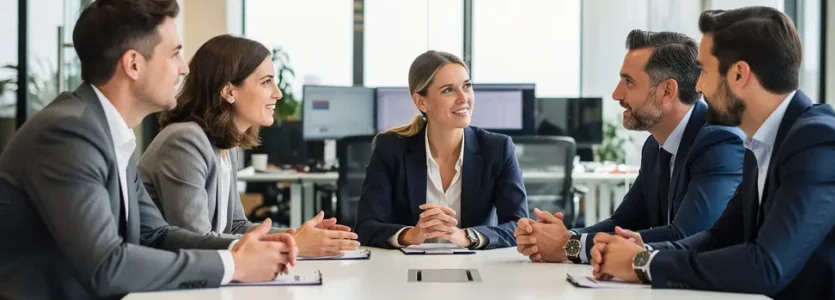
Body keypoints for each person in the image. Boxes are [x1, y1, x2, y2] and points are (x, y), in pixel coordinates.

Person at [0, 1, 298, 299]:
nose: (184, 68)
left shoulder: (111, 134)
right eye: (174, 53)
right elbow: (107, 266)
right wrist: (232, 265)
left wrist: (243, 250)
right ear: (133, 64)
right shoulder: (67, 134)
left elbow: (155, 234)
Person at [590, 7, 835, 300]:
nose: (699, 87)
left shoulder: (821, 142)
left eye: (704, 71)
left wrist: (642, 264)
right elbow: (720, 237)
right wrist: (642, 251)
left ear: (739, 74)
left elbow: (766, 266)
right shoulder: (765, 144)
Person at [515, 29, 745, 264]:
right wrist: (563, 237)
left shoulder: (719, 142)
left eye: (629, 82)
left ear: (667, 91)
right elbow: (624, 222)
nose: (616, 94)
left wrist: (569, 246)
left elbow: (686, 235)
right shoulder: (654, 147)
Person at [137, 34, 359, 258]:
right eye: (266, 82)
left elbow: (235, 226)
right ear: (229, 91)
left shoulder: (225, 143)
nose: (278, 93)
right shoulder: (185, 140)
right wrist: (293, 243)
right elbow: (194, 238)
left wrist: (298, 234)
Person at [355, 50, 529, 249]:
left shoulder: (497, 149)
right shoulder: (390, 148)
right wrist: (411, 234)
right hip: (405, 269)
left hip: (477, 267)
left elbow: (520, 227)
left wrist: (468, 236)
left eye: (467, 86)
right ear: (422, 101)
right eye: (448, 90)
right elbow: (366, 227)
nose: (464, 98)